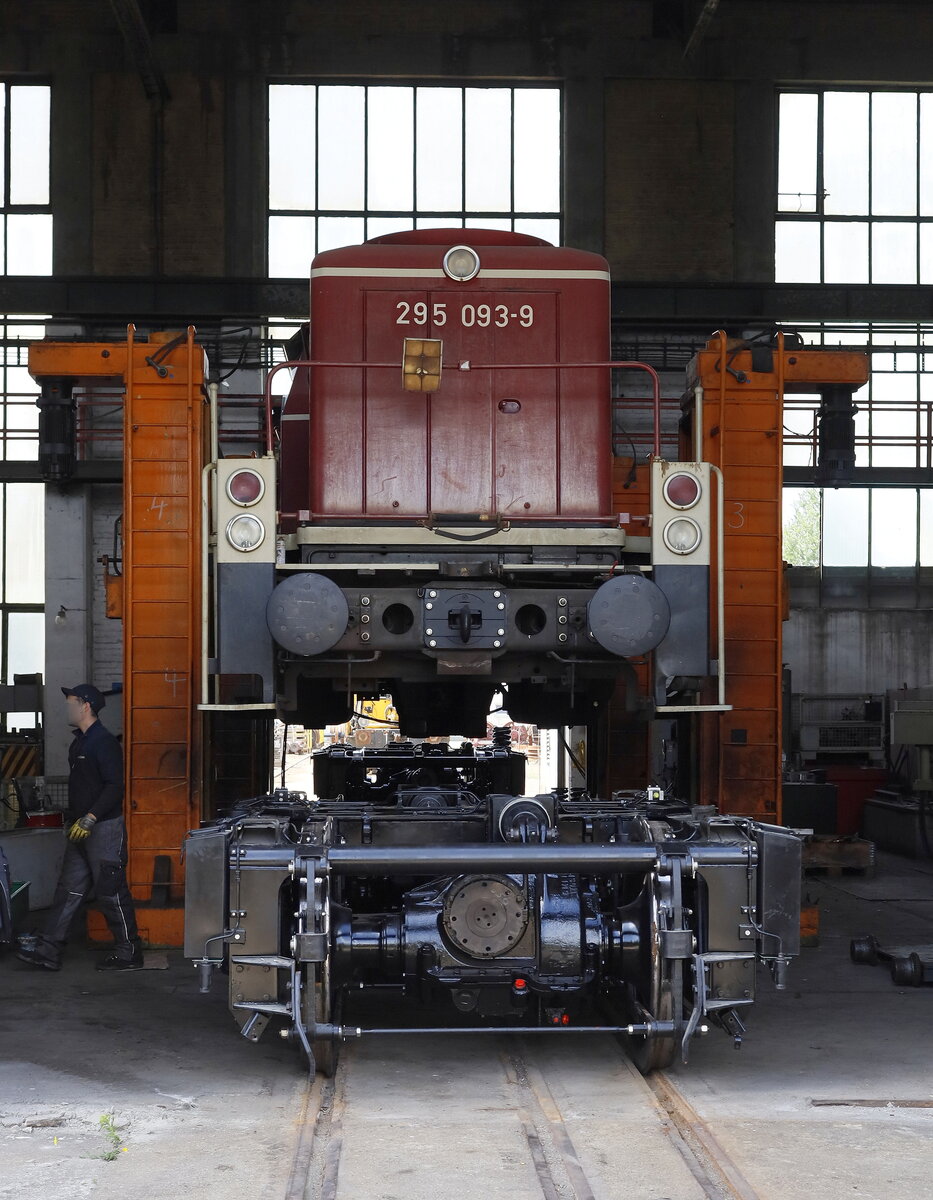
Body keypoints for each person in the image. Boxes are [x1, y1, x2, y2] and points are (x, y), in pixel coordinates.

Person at [17, 684, 143, 972]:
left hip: (103, 829)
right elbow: (83, 787)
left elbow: (115, 786)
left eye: (71, 702)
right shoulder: (79, 744)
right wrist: (74, 819)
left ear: (85, 706)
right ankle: (48, 950)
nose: (67, 708)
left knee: (110, 890)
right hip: (80, 829)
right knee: (69, 890)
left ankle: (129, 952)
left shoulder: (104, 743)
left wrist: (91, 817)